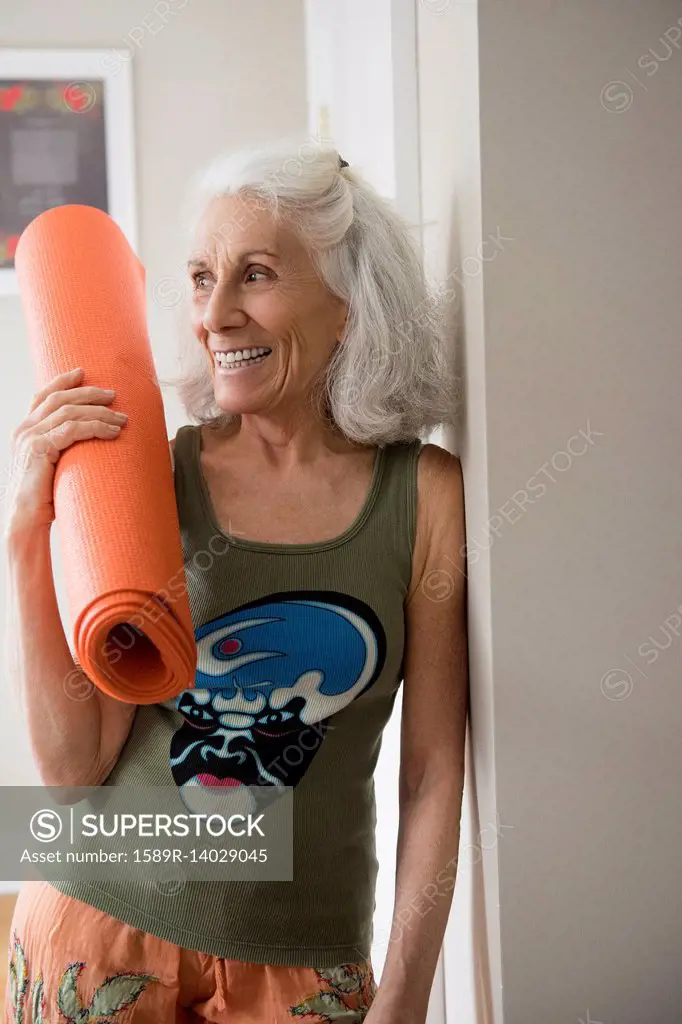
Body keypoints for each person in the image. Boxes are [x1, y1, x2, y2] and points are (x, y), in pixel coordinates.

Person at [3, 140, 468, 1024]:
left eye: (254, 275)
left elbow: (434, 772)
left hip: (303, 963)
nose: (214, 314)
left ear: (347, 303)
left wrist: (409, 988)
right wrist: (26, 528)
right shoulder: (151, 477)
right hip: (101, 931)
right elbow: (72, 774)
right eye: (199, 278)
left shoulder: (426, 496)